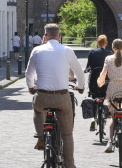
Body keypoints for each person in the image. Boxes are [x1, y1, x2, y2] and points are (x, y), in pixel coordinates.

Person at [26, 23, 85, 168]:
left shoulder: (37, 50)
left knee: (38, 108)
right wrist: (81, 87)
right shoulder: (67, 50)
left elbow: (29, 73)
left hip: (42, 96)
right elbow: (79, 72)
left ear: (45, 37)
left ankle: (40, 137)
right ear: (59, 36)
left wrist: (31, 87)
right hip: (62, 97)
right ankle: (69, 165)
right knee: (67, 134)